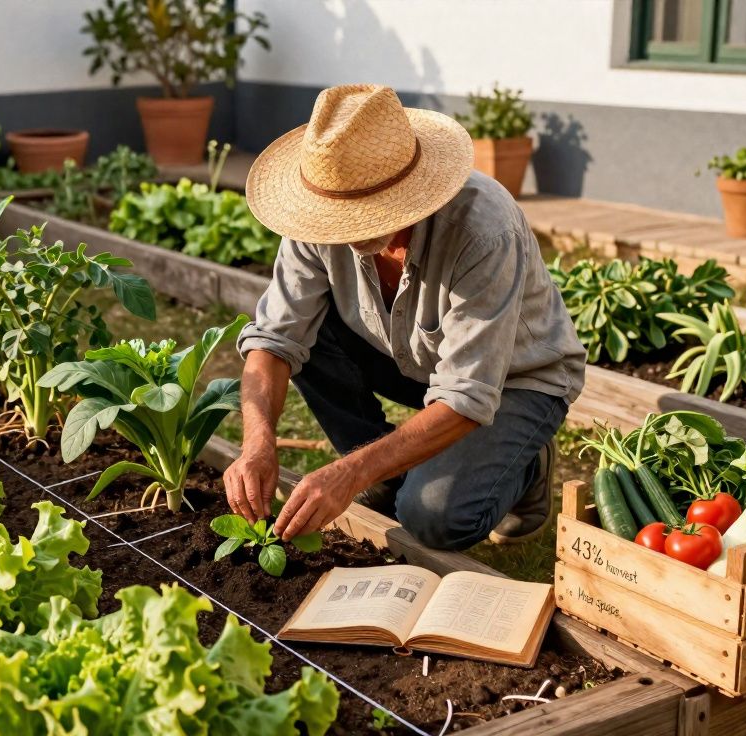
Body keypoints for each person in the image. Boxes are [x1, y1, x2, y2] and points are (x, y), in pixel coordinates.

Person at [223, 84, 586, 551]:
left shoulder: (482, 230)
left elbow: (466, 393)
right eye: (334, 214)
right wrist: (257, 443)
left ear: (406, 193)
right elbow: (273, 341)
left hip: (514, 381)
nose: (341, 230)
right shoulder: (317, 217)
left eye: (361, 214)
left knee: (433, 518)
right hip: (413, 360)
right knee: (309, 338)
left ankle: (526, 462)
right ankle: (386, 476)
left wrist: (348, 470)